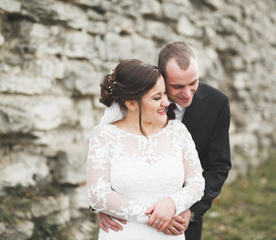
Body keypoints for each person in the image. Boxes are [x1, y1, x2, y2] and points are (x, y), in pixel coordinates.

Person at [98, 42, 231, 240]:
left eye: (193, 82)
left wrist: (190, 212)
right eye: (177, 86)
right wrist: (103, 203)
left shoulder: (217, 103)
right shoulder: (135, 99)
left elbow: (218, 166)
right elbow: (106, 150)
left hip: (181, 222)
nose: (187, 93)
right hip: (126, 223)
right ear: (161, 77)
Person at [87, 59, 206, 240]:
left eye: (165, 93)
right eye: (157, 98)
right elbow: (98, 194)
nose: (166, 102)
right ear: (132, 104)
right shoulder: (104, 136)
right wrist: (155, 216)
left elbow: (197, 182)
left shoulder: (178, 132)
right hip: (123, 234)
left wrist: (172, 204)